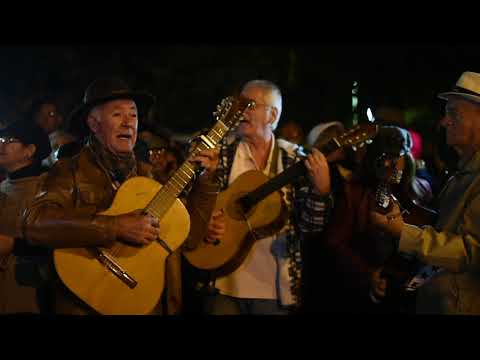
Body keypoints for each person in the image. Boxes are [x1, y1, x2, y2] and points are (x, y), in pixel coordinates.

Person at [22, 77, 220, 315]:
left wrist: (206, 181)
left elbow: (189, 239)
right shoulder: (69, 171)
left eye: (134, 115)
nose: (128, 123)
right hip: (83, 306)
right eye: (117, 114)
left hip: (146, 305)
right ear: (94, 124)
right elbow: (35, 223)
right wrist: (115, 226)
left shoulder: (152, 178)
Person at [188, 79, 332, 315]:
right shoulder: (221, 153)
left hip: (274, 289)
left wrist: (321, 191)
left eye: (250, 105)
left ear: (272, 115)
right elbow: (190, 206)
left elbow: (311, 227)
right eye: (240, 104)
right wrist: (205, 222)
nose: (241, 111)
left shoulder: (294, 160)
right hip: (221, 283)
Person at [370, 71, 480, 314]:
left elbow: (471, 252)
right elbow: (444, 227)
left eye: (454, 113)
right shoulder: (462, 174)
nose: (444, 121)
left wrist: (403, 232)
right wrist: (403, 218)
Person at [0, 117, 52, 314]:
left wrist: (14, 245)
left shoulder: (47, 189)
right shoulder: (4, 186)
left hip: (29, 291)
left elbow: (56, 238)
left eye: (10, 140)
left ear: (30, 151)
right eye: (1, 140)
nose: (2, 145)